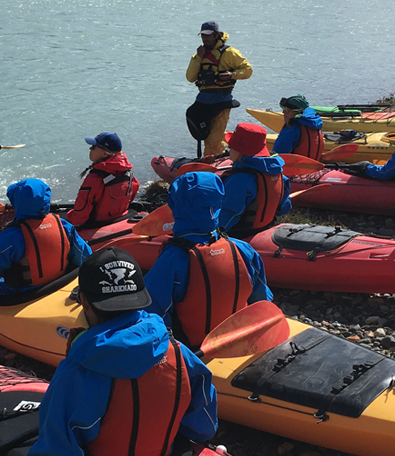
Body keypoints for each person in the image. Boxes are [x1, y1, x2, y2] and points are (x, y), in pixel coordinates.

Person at [29, 246, 218, 456]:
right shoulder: (182, 354)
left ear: (83, 300)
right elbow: (203, 428)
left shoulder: (78, 372)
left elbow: (54, 448)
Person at [144, 172, 272, 349]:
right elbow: (262, 298)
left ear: (174, 204)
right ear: (219, 203)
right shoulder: (243, 249)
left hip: (193, 348)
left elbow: (151, 310)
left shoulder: (174, 258)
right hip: (236, 338)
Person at [0, 179, 92, 295]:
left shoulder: (8, 239)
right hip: (60, 281)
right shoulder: (64, 226)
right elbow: (85, 256)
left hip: (23, 293)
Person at [185, 20, 253, 157]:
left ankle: (215, 164)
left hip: (221, 101)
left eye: (208, 35)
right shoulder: (199, 55)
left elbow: (248, 70)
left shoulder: (230, 53)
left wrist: (232, 75)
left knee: (215, 140)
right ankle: (209, 161)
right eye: (203, 35)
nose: (205, 39)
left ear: (217, 35)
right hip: (203, 101)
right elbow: (190, 77)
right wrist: (198, 58)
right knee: (206, 136)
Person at [218, 123, 291, 234]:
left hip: (241, 233)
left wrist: (210, 235)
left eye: (232, 145)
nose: (229, 147)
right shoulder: (278, 174)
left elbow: (227, 217)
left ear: (242, 151)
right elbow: (285, 207)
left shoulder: (239, 180)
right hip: (266, 226)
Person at [65, 132, 140, 228]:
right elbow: (132, 196)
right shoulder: (128, 173)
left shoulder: (94, 178)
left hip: (98, 224)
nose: (90, 149)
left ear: (105, 153)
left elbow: (78, 218)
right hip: (119, 218)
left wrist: (67, 218)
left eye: (94, 147)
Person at [271, 94, 325, 160]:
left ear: (297, 112)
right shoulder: (316, 127)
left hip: (293, 169)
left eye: (287, 110)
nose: (283, 112)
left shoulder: (292, 129)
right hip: (312, 168)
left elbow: (277, 154)